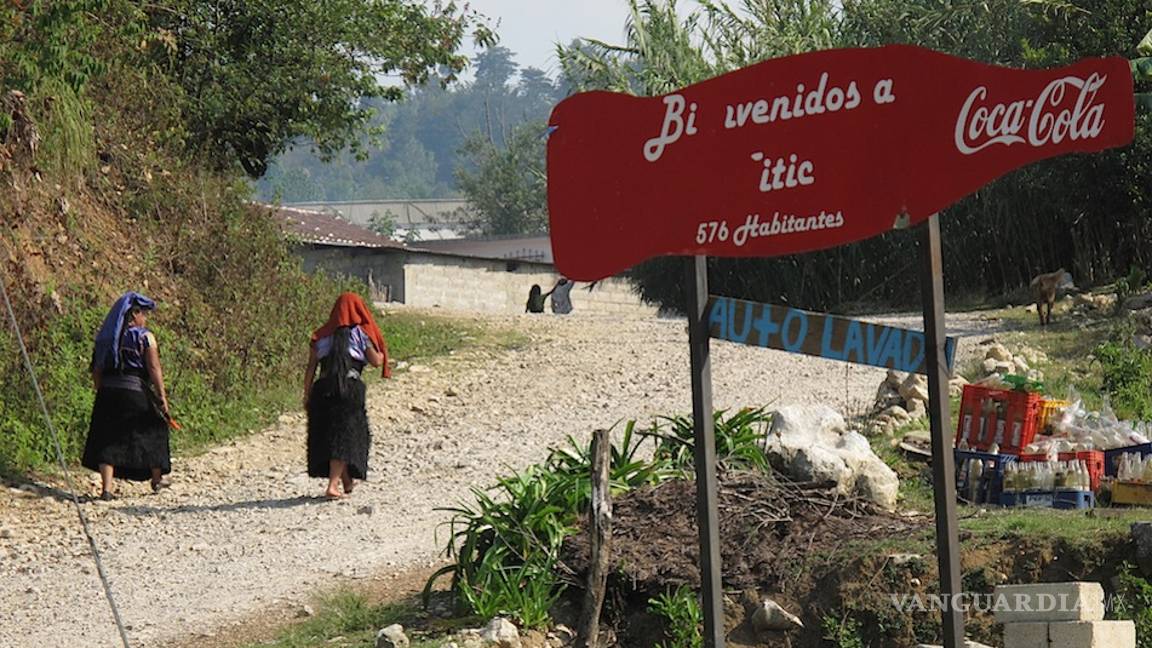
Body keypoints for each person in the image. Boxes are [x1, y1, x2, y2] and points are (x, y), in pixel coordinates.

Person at [82, 291, 172, 500]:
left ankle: (106, 489)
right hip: (134, 391)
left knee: (108, 436)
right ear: (134, 315)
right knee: (154, 426)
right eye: (143, 314)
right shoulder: (144, 337)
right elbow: (154, 367)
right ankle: (157, 479)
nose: (145, 319)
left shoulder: (106, 337)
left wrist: (101, 391)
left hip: (108, 391)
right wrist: (162, 397)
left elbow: (97, 369)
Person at [304, 292, 389, 499]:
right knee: (346, 435)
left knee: (330, 433)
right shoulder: (360, 334)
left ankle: (347, 481)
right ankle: (333, 486)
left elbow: (311, 369)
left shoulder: (321, 336)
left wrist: (307, 395)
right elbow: (376, 361)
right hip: (349, 388)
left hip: (323, 387)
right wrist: (382, 352)